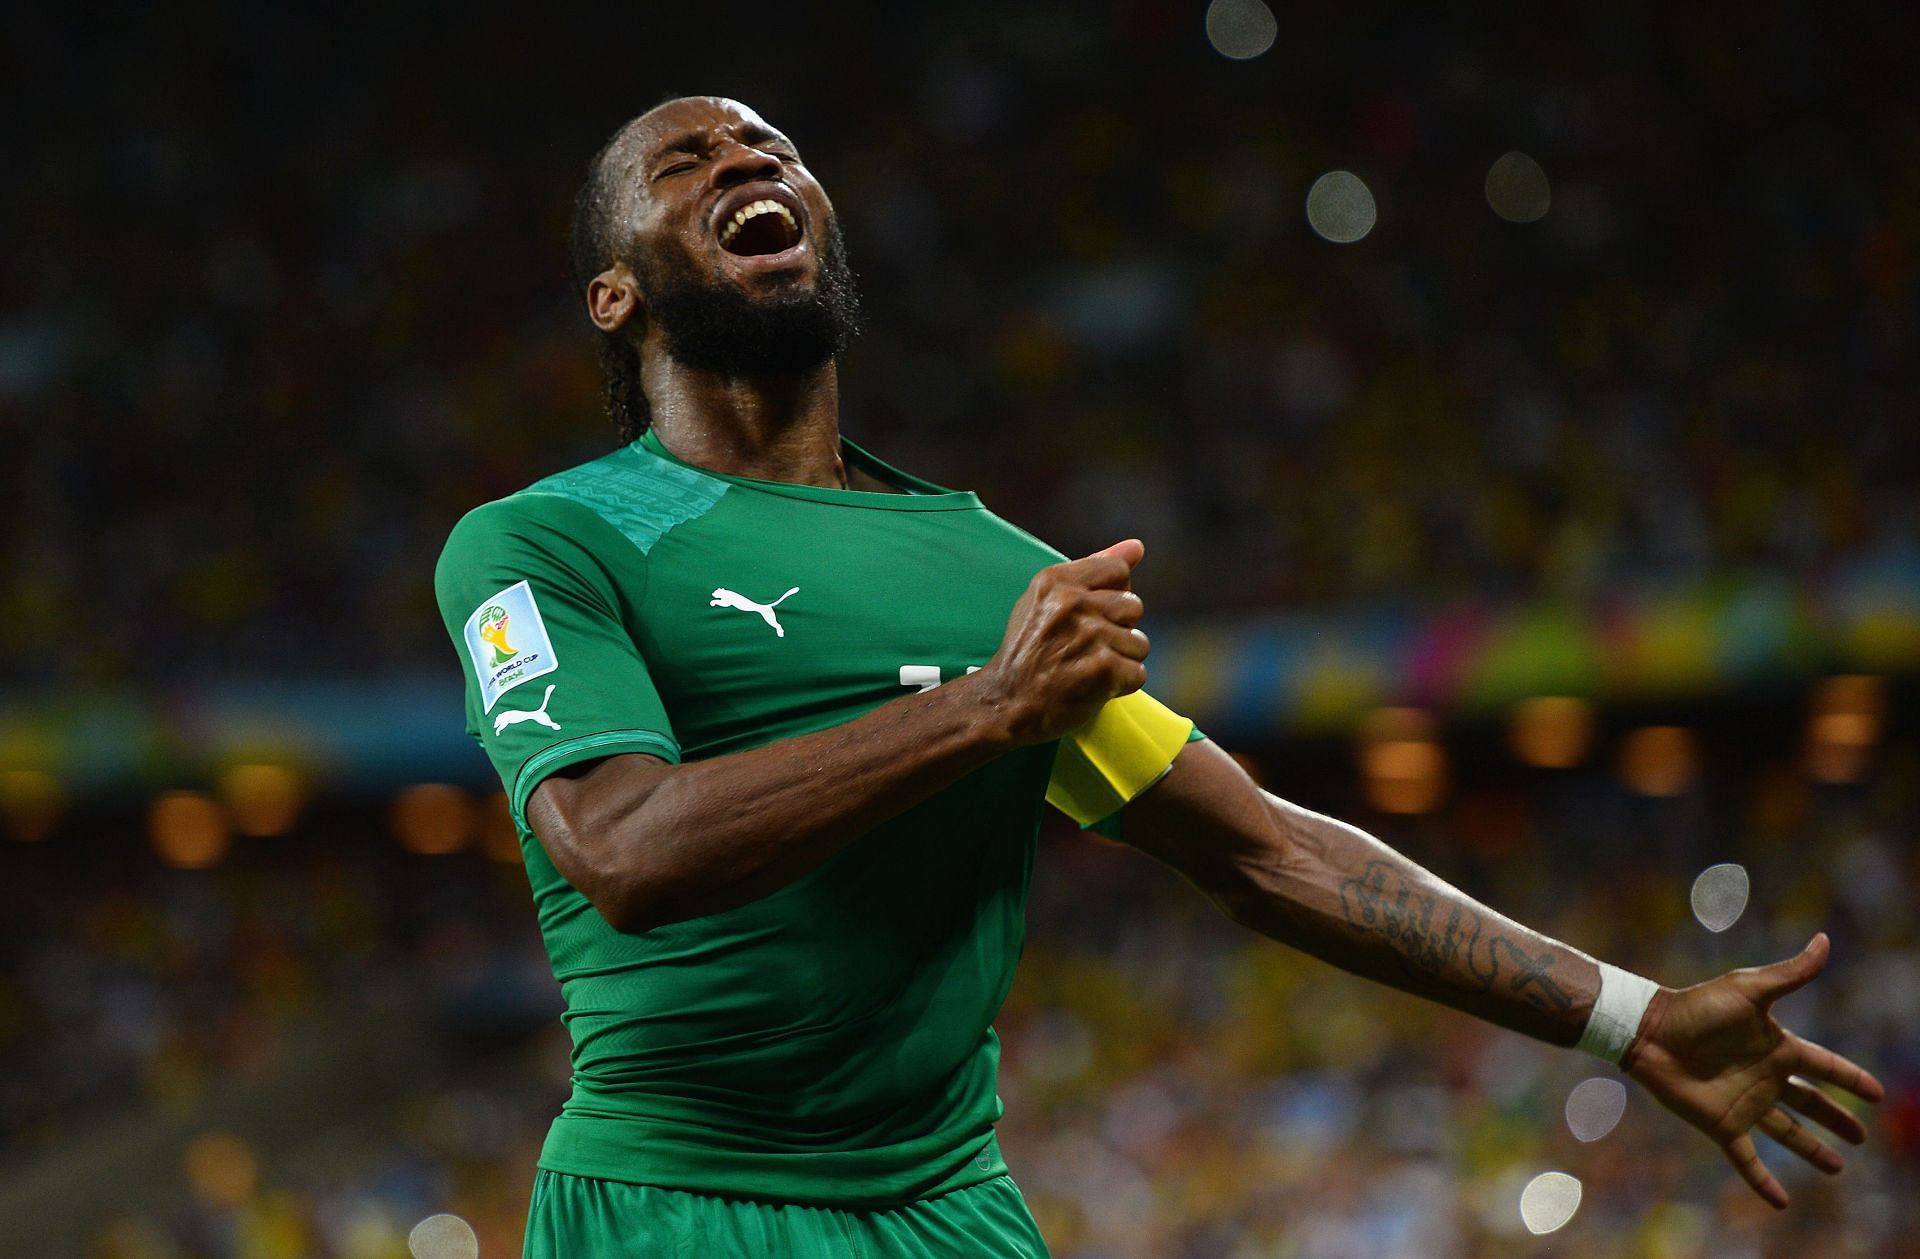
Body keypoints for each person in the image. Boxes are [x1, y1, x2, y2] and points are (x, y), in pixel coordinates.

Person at [434, 95, 1883, 1258]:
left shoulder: (996, 570)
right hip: (675, 1208)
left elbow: (1259, 850)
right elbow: (620, 847)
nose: (747, 159)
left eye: (774, 147)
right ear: (615, 295)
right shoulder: (543, 543)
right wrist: (989, 710)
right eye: (685, 162)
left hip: (951, 1211)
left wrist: (1625, 1016)